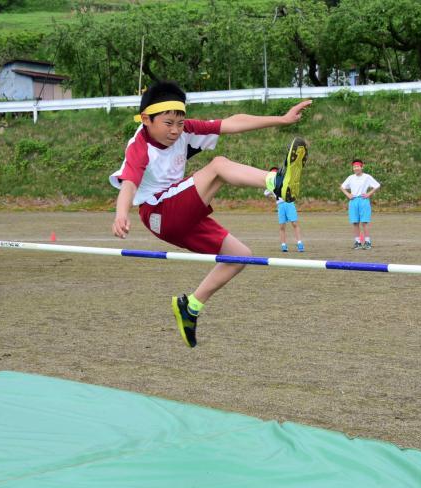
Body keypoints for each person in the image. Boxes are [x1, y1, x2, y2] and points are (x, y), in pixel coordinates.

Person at [110, 80, 311, 347]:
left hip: (180, 211)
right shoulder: (140, 145)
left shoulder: (185, 130)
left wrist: (282, 119)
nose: (175, 131)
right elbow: (130, 183)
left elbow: (232, 122)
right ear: (146, 119)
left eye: (179, 123)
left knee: (240, 256)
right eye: (167, 124)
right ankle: (276, 183)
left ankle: (190, 306)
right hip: (159, 211)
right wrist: (121, 213)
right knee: (218, 167)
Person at [340, 159, 380, 249]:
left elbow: (377, 185)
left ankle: (367, 242)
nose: (356, 168)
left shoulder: (367, 177)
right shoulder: (351, 177)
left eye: (358, 166)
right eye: (354, 167)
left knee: (364, 222)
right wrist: (348, 195)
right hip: (353, 201)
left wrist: (369, 194)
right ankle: (357, 242)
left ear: (362, 167)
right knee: (355, 222)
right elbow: (342, 187)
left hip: (363, 200)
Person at [264, 167, 305, 253]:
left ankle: (300, 243)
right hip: (280, 206)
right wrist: (272, 196)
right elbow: (266, 193)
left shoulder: (284, 180)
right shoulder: (271, 184)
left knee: (294, 223)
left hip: (289, 203)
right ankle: (283, 245)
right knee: (282, 226)